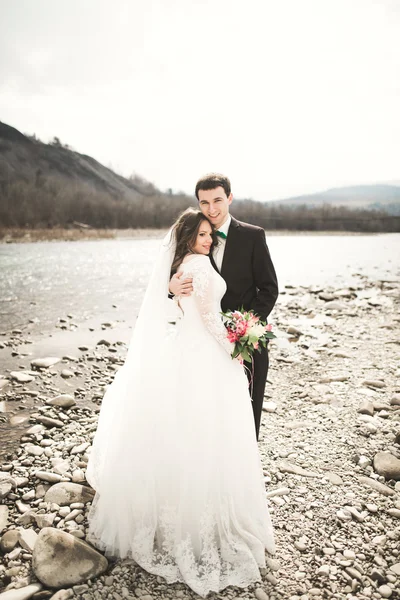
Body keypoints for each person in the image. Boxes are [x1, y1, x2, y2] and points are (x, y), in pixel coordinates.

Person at [85, 208, 276, 598]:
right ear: (189, 237)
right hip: (205, 352)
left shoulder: (186, 267)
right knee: (205, 428)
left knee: (188, 426)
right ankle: (201, 519)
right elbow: (207, 317)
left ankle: (172, 509)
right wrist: (235, 348)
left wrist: (176, 293)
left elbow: (180, 307)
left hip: (187, 349)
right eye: (202, 234)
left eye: (210, 234)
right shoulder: (199, 268)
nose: (209, 240)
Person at [169, 173, 279, 441]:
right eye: (204, 203)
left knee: (247, 409)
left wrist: (246, 328)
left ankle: (244, 470)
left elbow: (269, 289)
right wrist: (171, 288)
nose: (212, 208)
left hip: (245, 339)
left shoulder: (253, 236)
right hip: (203, 344)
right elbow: (174, 279)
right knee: (207, 411)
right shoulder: (194, 235)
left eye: (217, 200)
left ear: (229, 198)